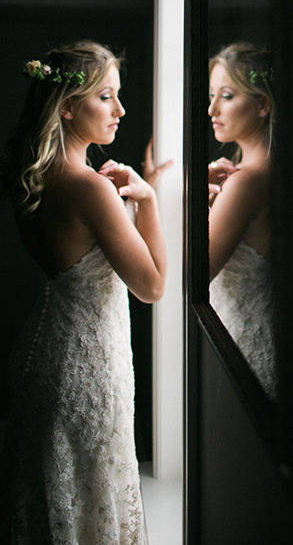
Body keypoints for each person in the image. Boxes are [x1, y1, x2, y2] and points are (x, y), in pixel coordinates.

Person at [0, 41, 168, 545]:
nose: (120, 110)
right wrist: (150, 199)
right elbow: (152, 286)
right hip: (86, 373)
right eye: (106, 97)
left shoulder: (40, 177)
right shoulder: (90, 188)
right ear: (68, 107)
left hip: (41, 358)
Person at [206, 41, 277, 399]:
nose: (211, 108)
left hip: (244, 347)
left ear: (263, 104)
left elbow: (194, 272)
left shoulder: (247, 181)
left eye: (227, 95)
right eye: (211, 94)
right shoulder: (272, 172)